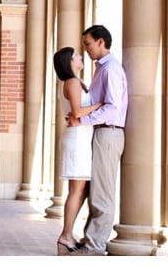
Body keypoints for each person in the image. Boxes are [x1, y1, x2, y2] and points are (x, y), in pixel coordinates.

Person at [67, 24, 128, 256]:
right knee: (96, 192)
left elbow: (112, 108)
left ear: (101, 42)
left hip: (108, 132)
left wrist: (82, 121)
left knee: (102, 193)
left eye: (88, 43)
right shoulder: (100, 69)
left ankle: (95, 246)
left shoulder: (110, 68)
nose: (85, 48)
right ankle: (90, 239)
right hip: (100, 131)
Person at [53, 46, 102, 255]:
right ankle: (65, 235)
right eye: (76, 55)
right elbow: (77, 112)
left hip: (81, 137)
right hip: (77, 140)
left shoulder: (75, 82)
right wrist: (101, 104)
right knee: (76, 191)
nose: (80, 56)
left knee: (82, 190)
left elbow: (76, 114)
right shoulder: (72, 82)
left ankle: (69, 234)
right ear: (69, 62)